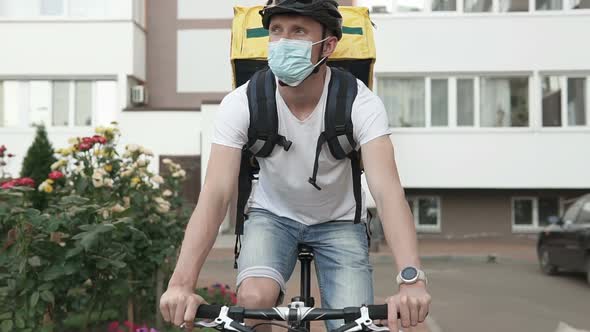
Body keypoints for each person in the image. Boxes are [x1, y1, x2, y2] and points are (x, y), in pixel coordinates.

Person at [159, 0, 431, 331]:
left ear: (327, 45)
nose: (283, 42)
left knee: (354, 322)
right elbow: (215, 194)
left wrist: (411, 279)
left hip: (340, 222)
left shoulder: (361, 103)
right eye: (276, 31)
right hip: (271, 217)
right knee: (253, 304)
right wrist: (181, 284)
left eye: (298, 31)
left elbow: (388, 193)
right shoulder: (241, 103)